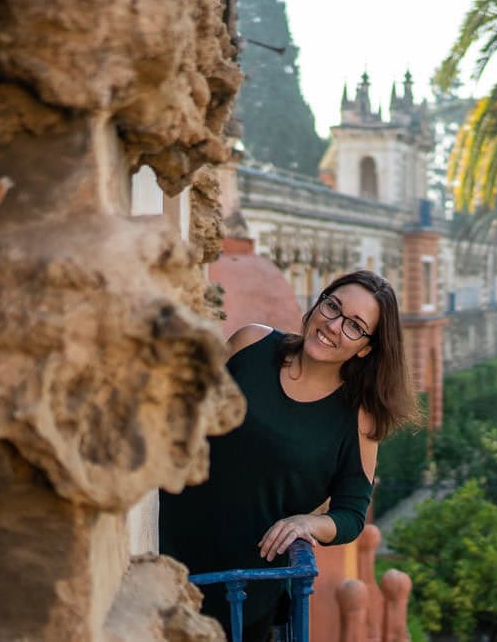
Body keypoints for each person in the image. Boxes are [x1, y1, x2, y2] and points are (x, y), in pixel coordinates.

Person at [160, 270, 419, 642]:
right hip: (163, 545)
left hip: (242, 592)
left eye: (354, 326)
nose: (333, 326)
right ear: (319, 302)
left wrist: (307, 524)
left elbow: (350, 514)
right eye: (332, 306)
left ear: (366, 347)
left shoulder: (358, 419)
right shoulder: (250, 344)